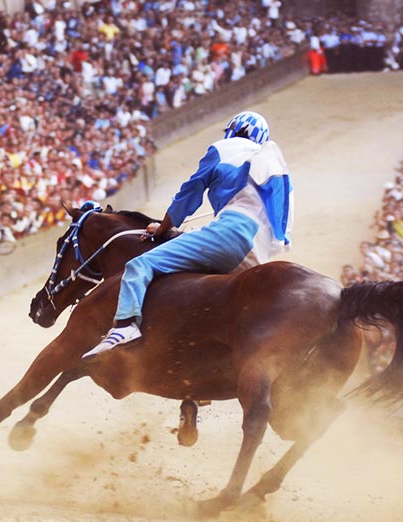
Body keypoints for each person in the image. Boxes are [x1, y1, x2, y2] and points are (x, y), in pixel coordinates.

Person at [83, 111, 293, 358]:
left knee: (140, 264)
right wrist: (180, 233)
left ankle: (125, 326)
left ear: (234, 129)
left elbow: (190, 193)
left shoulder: (224, 148)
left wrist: (163, 227)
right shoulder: (270, 165)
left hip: (232, 233)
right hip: (257, 252)